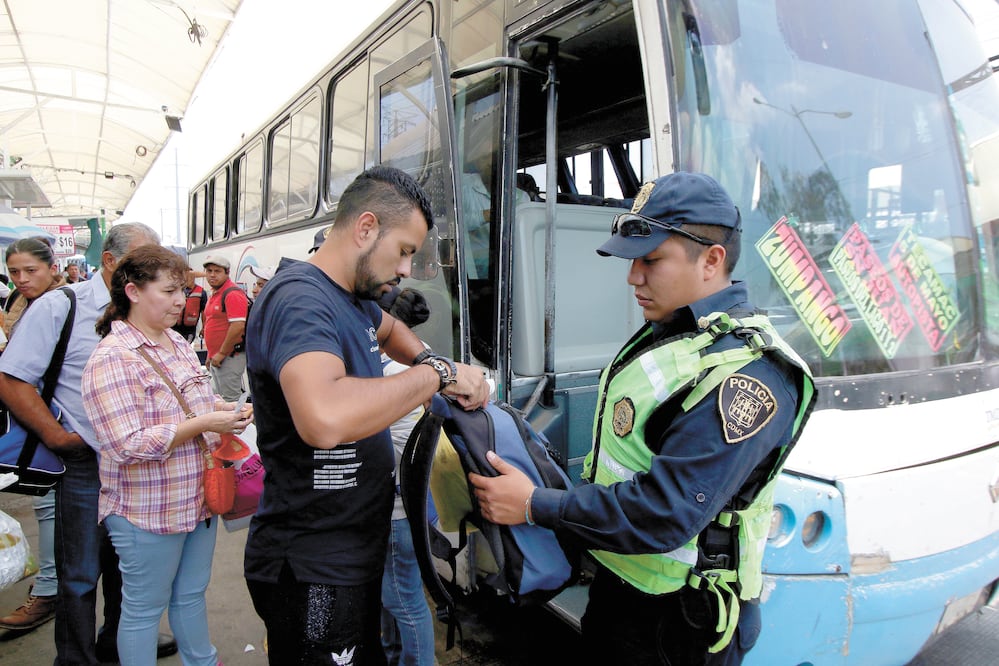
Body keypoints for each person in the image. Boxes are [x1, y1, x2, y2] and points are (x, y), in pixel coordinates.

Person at [469, 172, 815, 666]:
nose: (634, 278)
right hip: (625, 589)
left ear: (712, 260)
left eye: (651, 261)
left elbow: (664, 511)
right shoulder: (678, 332)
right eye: (635, 262)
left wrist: (534, 505)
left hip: (676, 623)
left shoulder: (747, 374)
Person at [243, 166, 490, 665]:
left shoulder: (349, 298)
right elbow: (325, 417)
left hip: (348, 556)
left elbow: (390, 330)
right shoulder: (299, 299)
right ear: (366, 228)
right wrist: (438, 374)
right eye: (403, 251)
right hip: (313, 567)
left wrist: (424, 358)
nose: (404, 269)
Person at [0, 222, 178, 664]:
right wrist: (57, 436)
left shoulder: (147, 311)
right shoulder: (61, 307)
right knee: (79, 575)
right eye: (144, 265)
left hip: (139, 465)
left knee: (129, 572)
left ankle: (118, 645)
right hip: (86, 465)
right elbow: (12, 379)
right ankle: (76, 658)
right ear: (111, 262)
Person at [81, 245, 254, 666]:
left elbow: (197, 397)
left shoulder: (174, 341)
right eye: (170, 291)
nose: (181, 301)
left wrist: (227, 410)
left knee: (191, 594)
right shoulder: (112, 358)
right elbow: (126, 444)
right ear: (133, 292)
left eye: (184, 290)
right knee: (142, 609)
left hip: (197, 498)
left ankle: (203, 661)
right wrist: (204, 424)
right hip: (147, 509)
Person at [0, 237, 67, 633]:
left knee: (51, 503)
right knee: (46, 501)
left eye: (31, 270)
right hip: (31, 415)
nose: (22, 279)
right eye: (14, 272)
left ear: (51, 266)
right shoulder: (18, 303)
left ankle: (48, 592)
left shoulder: (62, 304)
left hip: (54, 419)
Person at [376, 286, 435, 666]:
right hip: (409, 497)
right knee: (395, 595)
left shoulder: (390, 369)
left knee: (405, 598)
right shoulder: (423, 357)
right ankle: (393, 655)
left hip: (395, 504)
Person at [201, 255, 248, 401]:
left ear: (227, 273)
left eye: (217, 271)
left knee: (231, 399)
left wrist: (221, 353)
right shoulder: (216, 293)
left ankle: (239, 424)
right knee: (222, 397)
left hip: (230, 355)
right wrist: (211, 354)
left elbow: (238, 327)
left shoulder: (232, 294)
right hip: (218, 356)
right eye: (209, 271)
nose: (212, 275)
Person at [172, 267, 207, 344]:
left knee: (184, 347)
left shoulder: (201, 292)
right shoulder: (177, 290)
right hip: (174, 326)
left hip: (189, 329)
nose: (188, 278)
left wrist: (204, 328)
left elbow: (204, 312)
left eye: (190, 275)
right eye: (186, 275)